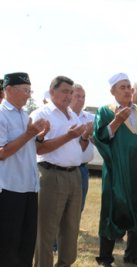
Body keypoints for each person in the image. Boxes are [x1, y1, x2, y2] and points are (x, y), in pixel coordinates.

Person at [93, 73, 137, 266]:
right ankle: (105, 258)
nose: (126, 90)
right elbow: (100, 137)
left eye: (128, 87)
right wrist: (116, 121)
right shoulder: (106, 111)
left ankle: (132, 256)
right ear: (113, 91)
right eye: (122, 87)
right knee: (112, 211)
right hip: (119, 171)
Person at [31, 75, 90, 267]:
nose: (69, 96)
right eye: (65, 91)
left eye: (71, 92)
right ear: (52, 91)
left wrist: (84, 137)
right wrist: (68, 136)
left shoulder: (71, 115)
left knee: (71, 228)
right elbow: (38, 149)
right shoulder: (42, 114)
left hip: (74, 175)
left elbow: (76, 148)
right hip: (51, 175)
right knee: (47, 230)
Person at [0, 72, 49, 266]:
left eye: (30, 90)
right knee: (8, 244)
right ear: (9, 90)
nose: (28, 95)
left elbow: (28, 147)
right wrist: (30, 133)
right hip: (9, 188)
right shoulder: (2, 115)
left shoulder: (25, 115)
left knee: (26, 242)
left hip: (29, 186)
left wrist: (40, 136)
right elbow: (2, 152)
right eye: (25, 90)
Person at [69, 83, 95, 213]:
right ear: (70, 96)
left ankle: (74, 229)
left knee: (79, 204)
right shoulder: (64, 116)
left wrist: (92, 135)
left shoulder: (91, 118)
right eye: (77, 96)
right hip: (65, 169)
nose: (81, 99)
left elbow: (100, 140)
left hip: (83, 168)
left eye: (83, 96)